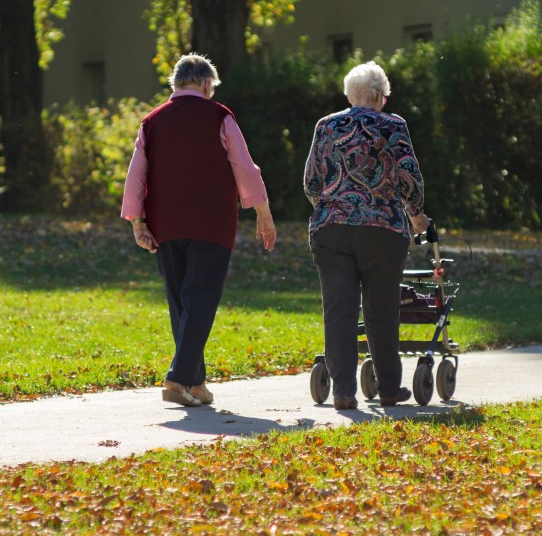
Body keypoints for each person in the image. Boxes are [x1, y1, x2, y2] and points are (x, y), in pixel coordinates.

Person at [121, 53, 277, 407]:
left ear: (176, 84)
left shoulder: (152, 121)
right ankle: (178, 379)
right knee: (201, 300)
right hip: (211, 222)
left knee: (182, 303)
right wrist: (263, 212)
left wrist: (137, 222)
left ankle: (195, 382)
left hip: (165, 223)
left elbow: (136, 175)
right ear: (207, 84)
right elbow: (244, 166)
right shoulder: (220, 116)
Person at [304, 61, 430, 411]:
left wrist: (333, 207)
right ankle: (388, 388)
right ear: (379, 97)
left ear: (349, 95)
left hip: (331, 229)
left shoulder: (326, 125)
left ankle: (343, 392)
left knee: (339, 310)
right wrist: (416, 215)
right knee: (381, 309)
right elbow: (410, 178)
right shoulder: (393, 125)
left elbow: (311, 181)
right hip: (383, 229)